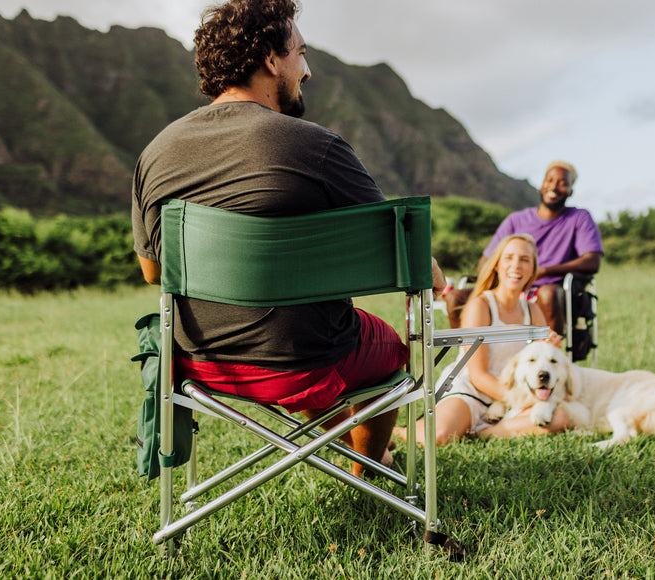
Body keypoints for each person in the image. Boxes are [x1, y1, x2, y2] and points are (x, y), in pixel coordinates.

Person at [130, 0, 445, 478]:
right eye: (300, 53)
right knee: (383, 350)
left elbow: (152, 270)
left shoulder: (155, 152)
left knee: (312, 337)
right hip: (301, 362)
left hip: (199, 363)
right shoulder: (315, 146)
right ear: (271, 59)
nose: (308, 70)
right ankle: (370, 469)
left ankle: (360, 455)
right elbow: (405, 256)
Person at [397, 234, 568, 446]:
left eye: (525, 260)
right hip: (472, 389)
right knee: (439, 436)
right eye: (509, 258)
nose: (516, 265)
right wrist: (520, 400)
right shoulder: (481, 306)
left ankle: (483, 434)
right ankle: (398, 433)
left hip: (512, 394)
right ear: (496, 265)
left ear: (533, 268)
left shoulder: (532, 310)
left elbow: (542, 363)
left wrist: (551, 349)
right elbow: (478, 376)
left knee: (559, 417)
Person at [445, 161, 603, 336]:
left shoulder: (579, 218)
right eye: (549, 180)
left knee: (548, 293)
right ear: (541, 184)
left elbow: (592, 261)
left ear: (571, 191)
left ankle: (550, 354)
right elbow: (484, 263)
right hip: (508, 287)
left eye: (563, 183)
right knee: (456, 297)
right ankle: (468, 356)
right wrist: (506, 279)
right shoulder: (515, 220)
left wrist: (542, 272)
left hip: (550, 291)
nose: (554, 186)